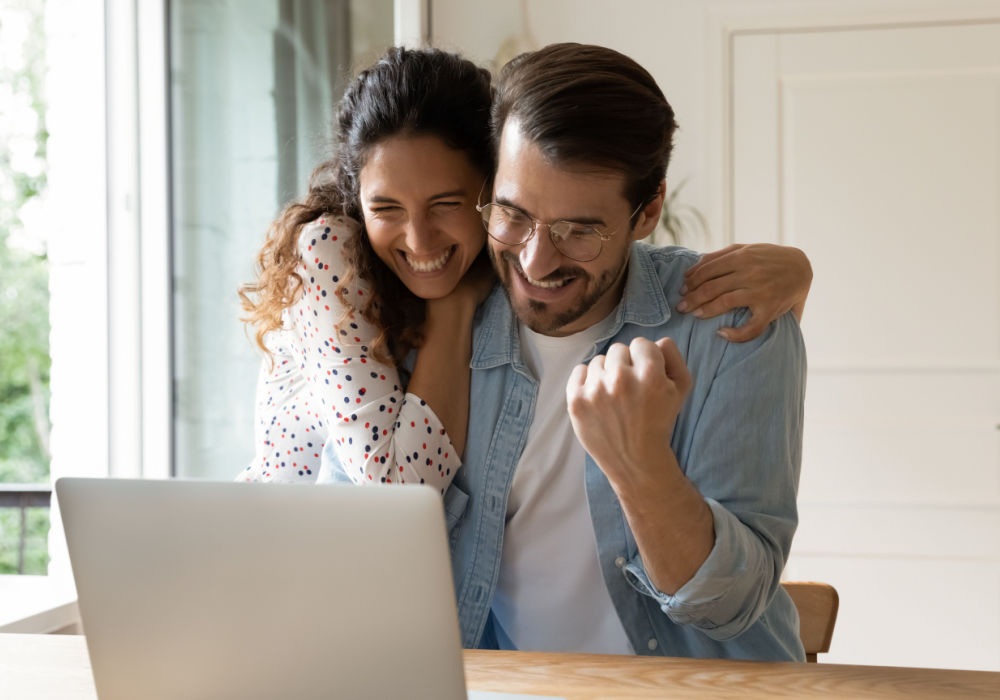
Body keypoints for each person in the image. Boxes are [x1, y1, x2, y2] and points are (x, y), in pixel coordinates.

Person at [363, 42, 806, 662]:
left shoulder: (732, 323)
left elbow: (731, 605)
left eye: (578, 230)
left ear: (648, 209)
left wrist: (638, 465)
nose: (536, 261)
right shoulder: (434, 321)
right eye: (513, 215)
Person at [242, 47, 809, 511]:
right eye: (385, 207)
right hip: (279, 550)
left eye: (446, 203)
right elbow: (396, 496)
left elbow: (616, 257)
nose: (419, 240)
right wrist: (454, 312)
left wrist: (796, 276)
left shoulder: (506, 258)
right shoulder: (334, 254)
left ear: (491, 187)